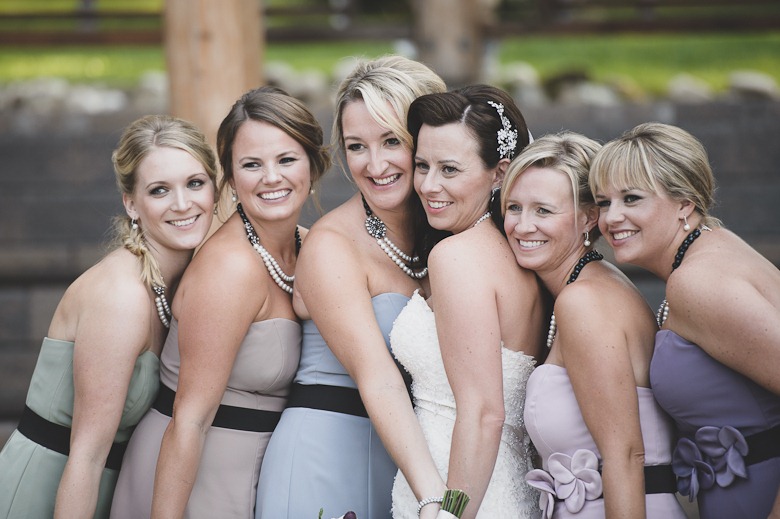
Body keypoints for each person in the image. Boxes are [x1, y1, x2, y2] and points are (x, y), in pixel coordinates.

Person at [109, 86, 329, 519]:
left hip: (258, 471)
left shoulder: (310, 247)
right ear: (229, 175)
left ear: (312, 164)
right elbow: (189, 419)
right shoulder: (230, 270)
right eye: (251, 165)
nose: (271, 177)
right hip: (195, 478)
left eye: (286, 159)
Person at [254, 56, 446, 519]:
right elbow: (377, 378)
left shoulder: (447, 234)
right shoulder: (331, 246)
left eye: (392, 141)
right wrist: (438, 500)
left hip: (404, 459)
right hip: (326, 459)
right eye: (357, 146)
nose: (375, 164)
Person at [0, 114, 217, 519]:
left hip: (109, 489)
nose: (183, 204)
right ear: (131, 203)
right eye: (159, 190)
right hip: (48, 491)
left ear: (215, 189)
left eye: (195, 183)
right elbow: (86, 454)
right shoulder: (121, 296)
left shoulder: (182, 279)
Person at [588, 122, 780, 519]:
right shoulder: (715, 247)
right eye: (604, 202)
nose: (612, 217)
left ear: (685, 204)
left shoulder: (695, 281)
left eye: (632, 198)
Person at [501, 131, 686, 518]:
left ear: (588, 217)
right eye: (514, 207)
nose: (522, 226)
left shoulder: (584, 301)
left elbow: (626, 454)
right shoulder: (588, 286)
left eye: (543, 210)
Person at [390, 84, 543, 519]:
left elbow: (483, 414)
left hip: (464, 493)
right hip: (504, 485)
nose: (428, 185)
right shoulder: (517, 253)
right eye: (422, 165)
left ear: (500, 172)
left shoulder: (456, 257)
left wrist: (451, 514)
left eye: (450, 169)